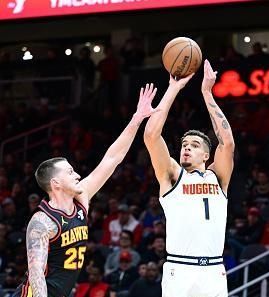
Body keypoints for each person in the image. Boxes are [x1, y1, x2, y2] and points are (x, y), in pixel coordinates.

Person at [12, 83, 159, 297]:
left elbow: (112, 158)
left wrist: (137, 118)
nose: (77, 175)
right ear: (56, 183)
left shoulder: (81, 198)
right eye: (70, 172)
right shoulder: (42, 222)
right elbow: (36, 274)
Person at [144, 60, 235, 297]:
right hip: (180, 269)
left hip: (214, 270)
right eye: (184, 144)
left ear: (206, 155)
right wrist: (173, 88)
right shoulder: (173, 175)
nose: (186, 148)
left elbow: (227, 142)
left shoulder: (218, 177)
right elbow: (151, 136)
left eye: (194, 146)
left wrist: (207, 92)